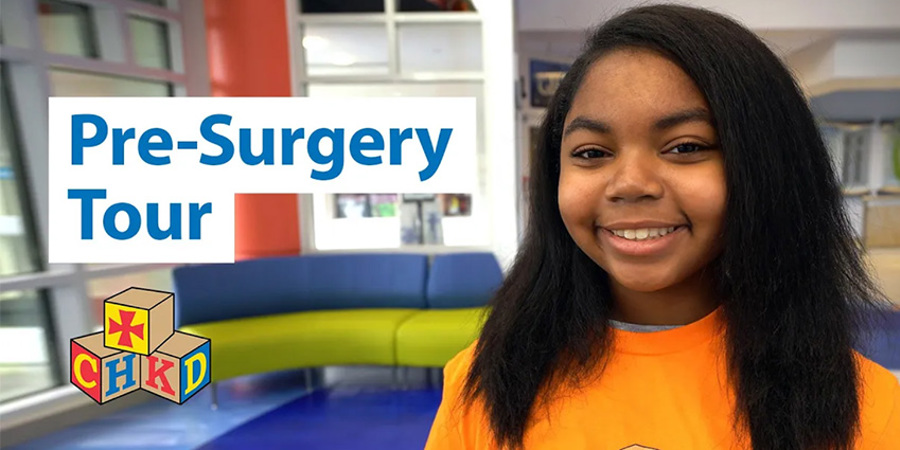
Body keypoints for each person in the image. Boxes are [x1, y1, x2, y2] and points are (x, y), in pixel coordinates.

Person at [425, 4, 900, 450]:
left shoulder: (869, 409)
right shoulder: (488, 382)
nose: (630, 184)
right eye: (592, 153)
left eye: (685, 147)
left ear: (768, 167)